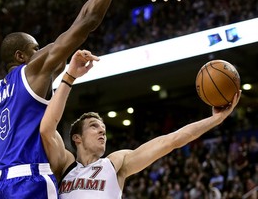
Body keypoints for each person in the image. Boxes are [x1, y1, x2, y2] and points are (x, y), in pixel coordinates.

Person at [40, 53, 242, 198]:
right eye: (94, 126)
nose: (102, 130)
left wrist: (216, 120)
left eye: (103, 127)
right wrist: (70, 76)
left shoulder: (115, 163)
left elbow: (171, 141)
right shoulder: (65, 165)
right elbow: (46, 129)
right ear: (77, 138)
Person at [0, 0, 119, 198]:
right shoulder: (31, 72)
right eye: (36, 49)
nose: (42, 53)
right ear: (21, 57)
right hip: (29, 180)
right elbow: (86, 21)